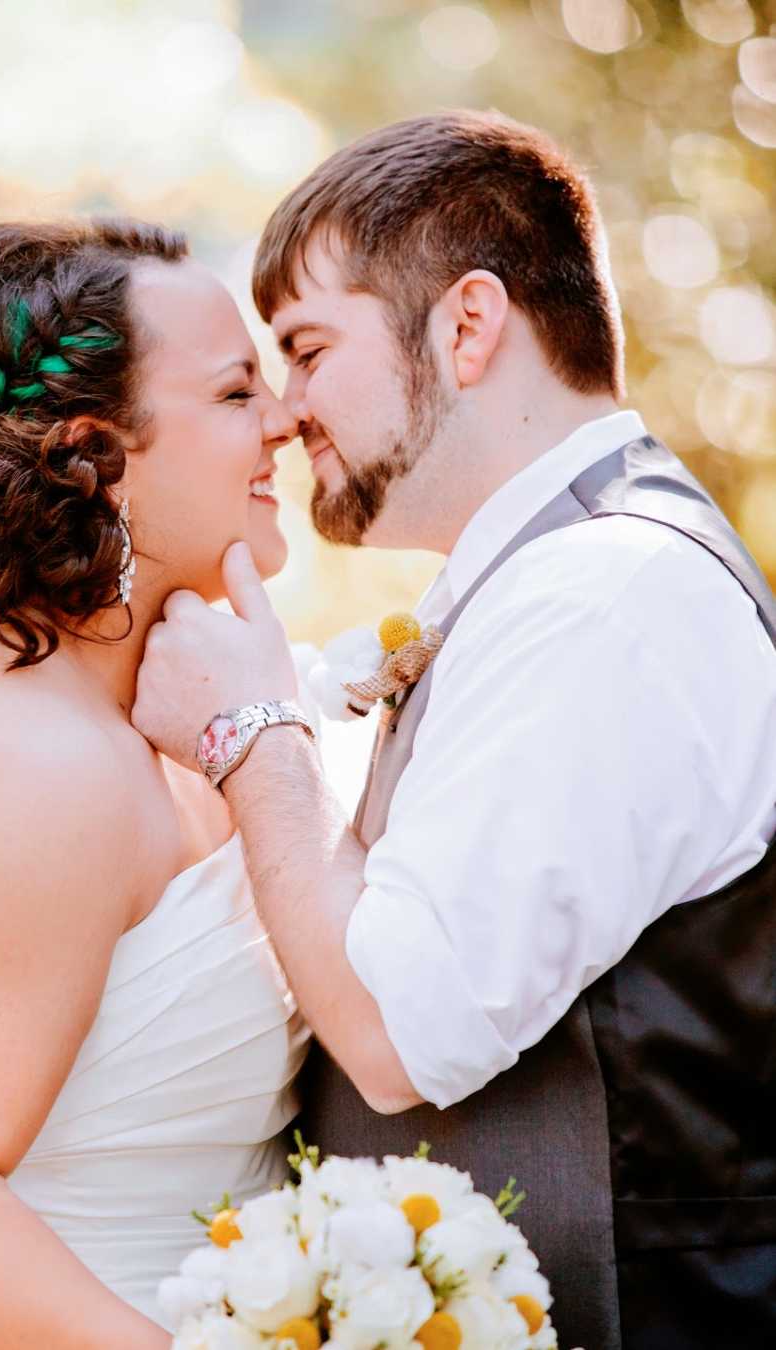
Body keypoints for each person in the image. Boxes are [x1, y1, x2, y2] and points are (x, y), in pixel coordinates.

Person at [132, 111, 776, 1350]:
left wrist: (256, 735)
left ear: (468, 326)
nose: (287, 410)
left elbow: (393, 1033)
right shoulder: (554, 578)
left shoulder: (607, 594)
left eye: (309, 349)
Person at [0, 218, 309, 1347]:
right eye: (233, 395)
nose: (288, 421)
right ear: (92, 454)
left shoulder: (154, 714)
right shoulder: (13, 757)